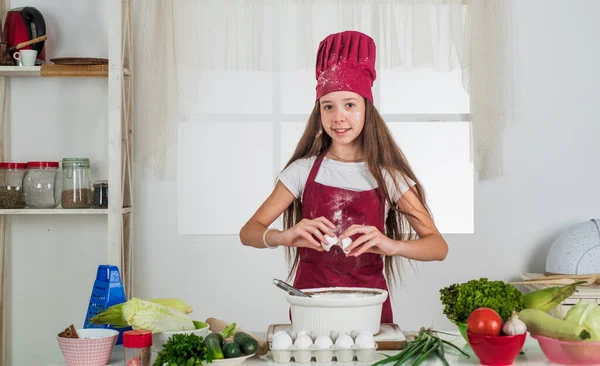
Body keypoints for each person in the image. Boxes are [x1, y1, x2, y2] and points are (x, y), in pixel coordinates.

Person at [239, 30, 448, 323]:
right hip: (310, 305)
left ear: (366, 109)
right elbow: (248, 232)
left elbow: (438, 247)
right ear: (319, 112)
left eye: (350, 105)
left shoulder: (388, 176)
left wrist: (392, 245)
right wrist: (284, 236)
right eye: (329, 107)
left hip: (369, 307)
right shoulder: (302, 171)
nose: (339, 117)